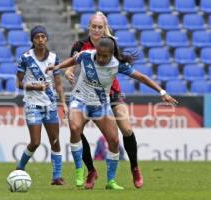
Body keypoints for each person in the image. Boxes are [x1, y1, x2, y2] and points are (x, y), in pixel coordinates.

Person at [46, 37, 178, 190]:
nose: (101, 58)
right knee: (74, 128)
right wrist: (57, 67)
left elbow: (141, 77)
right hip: (80, 100)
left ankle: (111, 181)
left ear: (111, 54)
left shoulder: (117, 64)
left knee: (114, 140)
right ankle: (79, 170)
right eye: (99, 55)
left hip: (101, 105)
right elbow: (73, 60)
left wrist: (162, 92)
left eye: (105, 56)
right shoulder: (87, 55)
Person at [66, 11, 143, 189]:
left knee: (126, 129)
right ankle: (91, 170)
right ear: (89, 28)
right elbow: (72, 65)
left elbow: (120, 65)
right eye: (94, 27)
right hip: (87, 95)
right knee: (76, 129)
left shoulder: (110, 44)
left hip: (112, 93)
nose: (97, 30)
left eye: (100, 27)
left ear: (105, 28)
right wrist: (69, 72)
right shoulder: (80, 45)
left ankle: (135, 168)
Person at [15, 25, 67, 185]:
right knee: (35, 142)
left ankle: (56, 177)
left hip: (50, 105)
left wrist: (63, 102)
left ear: (47, 39)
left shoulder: (53, 57)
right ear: (32, 40)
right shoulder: (25, 57)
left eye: (43, 37)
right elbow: (18, 83)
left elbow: (58, 83)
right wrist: (34, 87)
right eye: (37, 37)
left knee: (55, 141)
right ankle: (20, 168)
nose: (40, 40)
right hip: (32, 104)